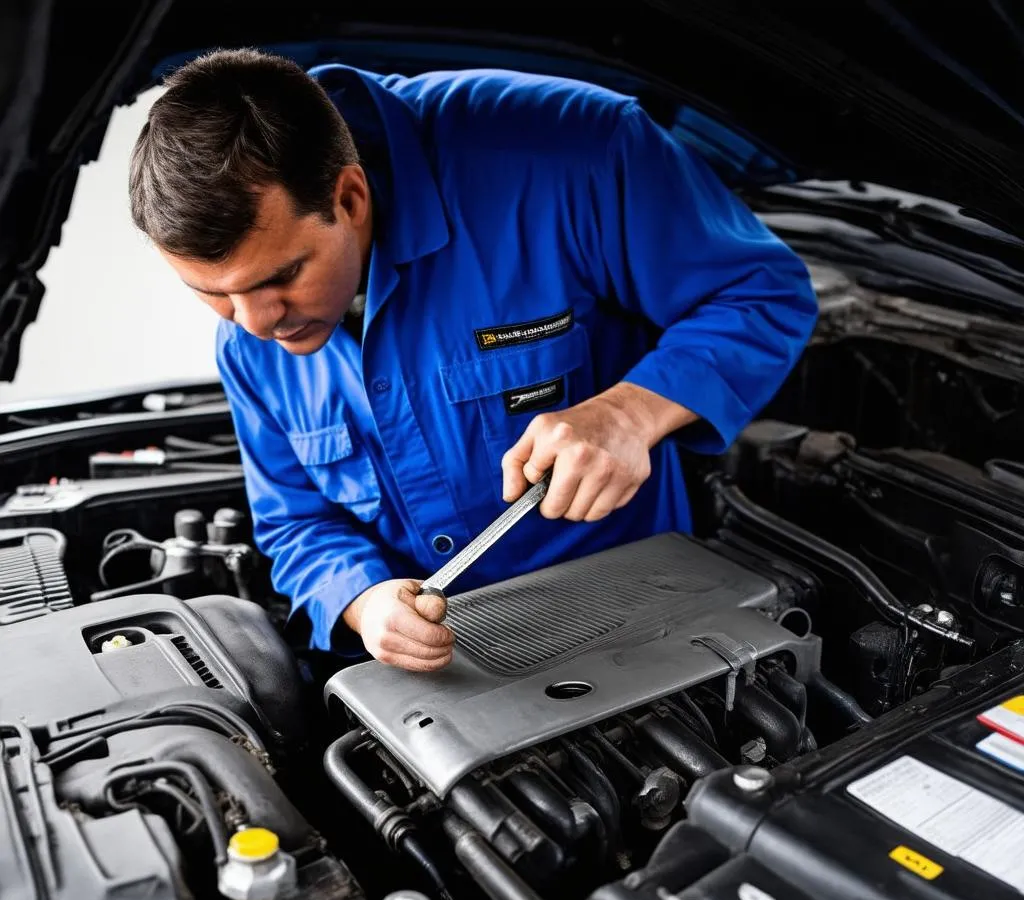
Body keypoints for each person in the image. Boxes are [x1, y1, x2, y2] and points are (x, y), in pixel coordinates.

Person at [128, 48, 818, 672]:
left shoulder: (569, 154)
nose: (254, 322)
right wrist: (365, 604)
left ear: (350, 196)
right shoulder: (248, 342)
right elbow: (297, 521)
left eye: (280, 277)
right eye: (212, 293)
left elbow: (762, 293)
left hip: (644, 637)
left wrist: (631, 413)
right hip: (444, 684)